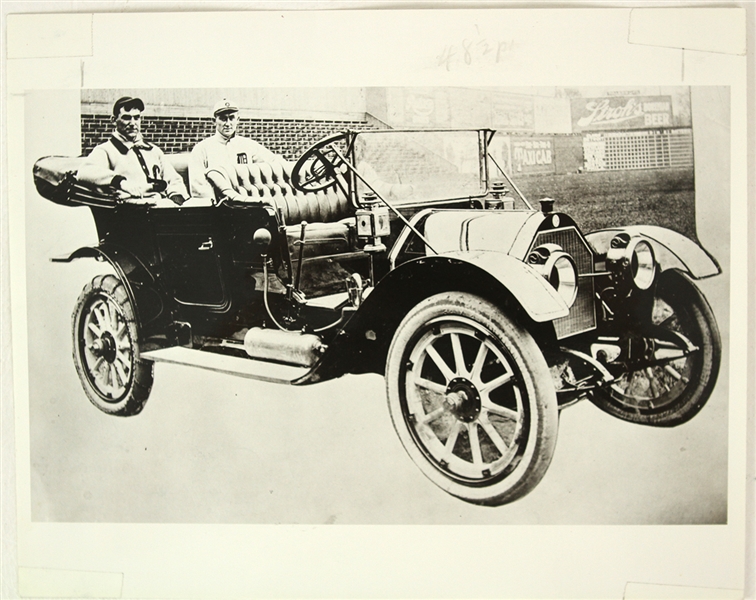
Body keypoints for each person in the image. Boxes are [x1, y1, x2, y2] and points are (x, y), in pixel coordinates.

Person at [77, 96, 189, 205]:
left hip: (159, 208)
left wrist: (176, 198)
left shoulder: (153, 150)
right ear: (114, 120)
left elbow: (174, 179)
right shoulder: (106, 150)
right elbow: (84, 172)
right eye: (126, 118)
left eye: (136, 117)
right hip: (130, 210)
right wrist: (120, 182)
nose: (132, 123)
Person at [189, 98, 286, 203]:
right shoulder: (202, 148)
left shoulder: (248, 145)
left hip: (248, 202)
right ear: (214, 121)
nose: (228, 123)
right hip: (220, 205)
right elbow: (198, 184)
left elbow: (274, 161)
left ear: (238, 120)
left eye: (232, 118)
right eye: (223, 119)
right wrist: (213, 205)